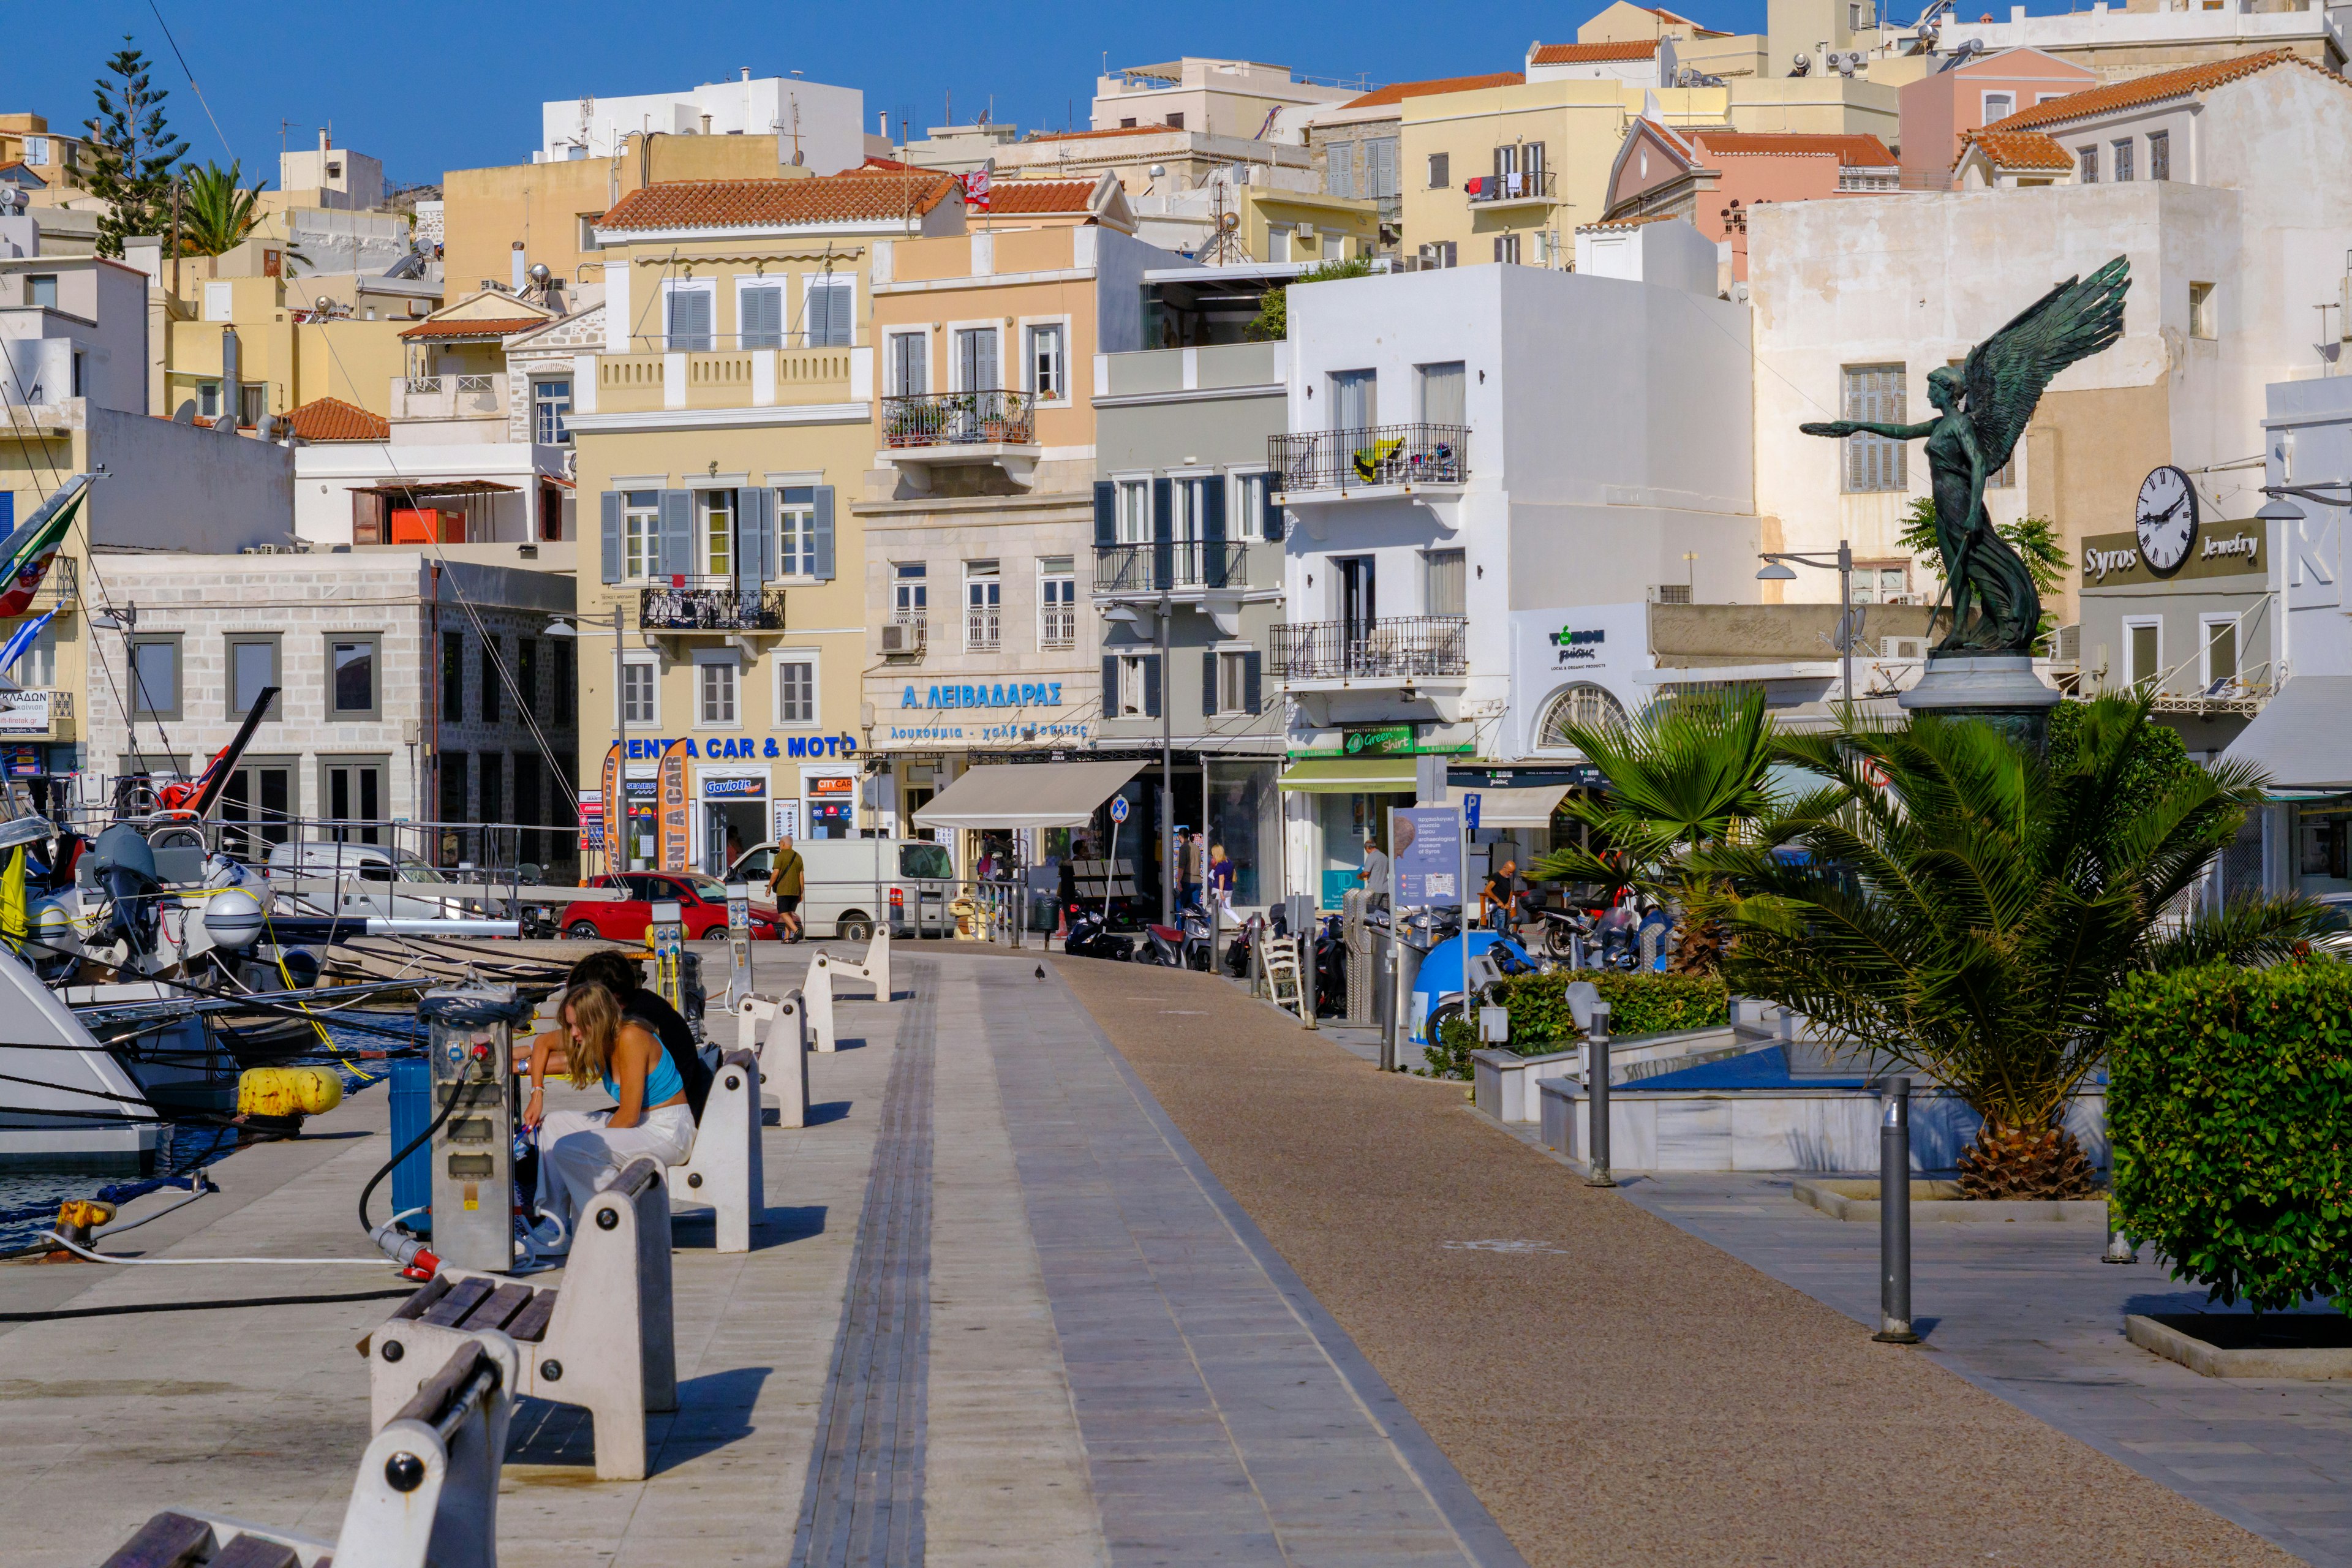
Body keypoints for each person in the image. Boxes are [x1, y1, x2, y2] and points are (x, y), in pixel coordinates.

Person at [522, 981, 695, 1245]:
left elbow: (628, 1116)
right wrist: (537, 1094)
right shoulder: (599, 1037)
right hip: (643, 1127)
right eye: (570, 1025)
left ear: (599, 1020)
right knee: (555, 1125)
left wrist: (590, 1143)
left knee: (571, 1148)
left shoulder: (631, 1038)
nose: (574, 1033)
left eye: (579, 1025)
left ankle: (616, 1228)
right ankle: (554, 1229)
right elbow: (543, 1043)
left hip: (668, 1130)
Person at [765, 832, 804, 942]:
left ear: (783, 843)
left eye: (779, 843)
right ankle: (787, 938)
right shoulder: (798, 857)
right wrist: (801, 892)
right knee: (789, 914)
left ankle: (797, 931)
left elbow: (776, 873)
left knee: (783, 913)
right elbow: (801, 876)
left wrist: (769, 887)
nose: (779, 845)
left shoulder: (780, 856)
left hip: (784, 890)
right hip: (795, 890)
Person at [1483, 858, 1523, 933]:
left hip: (1505, 907)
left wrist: (1508, 903)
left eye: (1512, 873)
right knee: (1500, 928)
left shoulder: (1507, 877)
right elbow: (1487, 890)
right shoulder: (1497, 876)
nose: (1510, 874)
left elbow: (1511, 891)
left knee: (1505, 926)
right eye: (1509, 872)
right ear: (1505, 868)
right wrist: (1498, 901)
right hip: (1498, 907)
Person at [1357, 833, 1390, 914]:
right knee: (1385, 913)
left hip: (1374, 889)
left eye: (1366, 850)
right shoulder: (1384, 856)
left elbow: (1366, 873)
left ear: (1368, 848)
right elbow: (1387, 871)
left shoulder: (1372, 856)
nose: (1367, 852)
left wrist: (1359, 876)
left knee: (1372, 912)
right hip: (1385, 889)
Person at [1207, 843, 1236, 921]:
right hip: (1229, 889)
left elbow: (1222, 878)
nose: (1212, 856)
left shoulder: (1220, 865)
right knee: (1228, 909)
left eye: (1213, 854)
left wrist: (1220, 892)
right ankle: (1240, 922)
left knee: (1214, 910)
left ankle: (1212, 929)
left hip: (1218, 889)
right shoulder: (1229, 862)